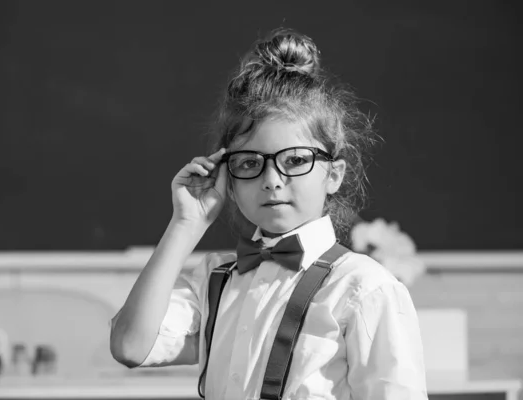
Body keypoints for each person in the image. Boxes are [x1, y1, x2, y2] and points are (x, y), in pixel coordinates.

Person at [110, 27, 428, 400]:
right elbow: (129, 347)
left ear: (334, 174)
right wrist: (185, 224)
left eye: (295, 160)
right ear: (228, 177)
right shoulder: (216, 280)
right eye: (249, 163)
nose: (272, 180)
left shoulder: (366, 288)